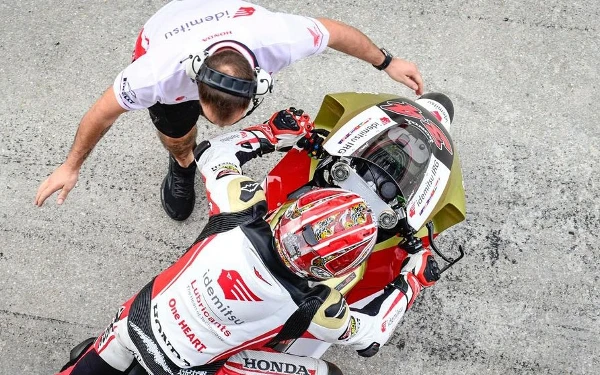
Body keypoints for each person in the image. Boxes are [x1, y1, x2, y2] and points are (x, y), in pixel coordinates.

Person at [56, 109, 440, 375]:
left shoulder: (239, 207)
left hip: (133, 325)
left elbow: (213, 154)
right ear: (336, 268)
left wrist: (273, 133)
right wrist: (414, 278)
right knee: (329, 372)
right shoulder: (320, 305)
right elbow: (370, 337)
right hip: (190, 370)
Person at [34, 0, 425, 221]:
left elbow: (336, 33)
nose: (211, 120)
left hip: (228, 17)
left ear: (260, 84)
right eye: (206, 109)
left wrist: (386, 61)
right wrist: (71, 165)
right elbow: (101, 113)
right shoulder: (155, 73)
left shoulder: (280, 37)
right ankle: (183, 163)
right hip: (167, 33)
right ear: (193, 86)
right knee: (177, 133)